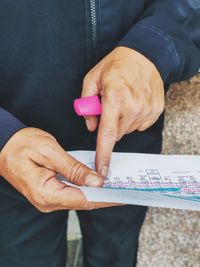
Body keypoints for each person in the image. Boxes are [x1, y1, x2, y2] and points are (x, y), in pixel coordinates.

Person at [0, 1, 199, 267]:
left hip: (129, 136)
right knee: (24, 257)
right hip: (13, 151)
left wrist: (157, 43)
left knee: (116, 251)